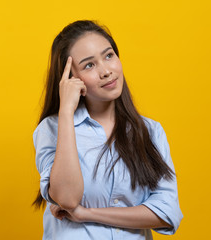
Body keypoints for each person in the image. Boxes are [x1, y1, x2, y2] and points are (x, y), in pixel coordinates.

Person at [32, 20, 183, 240]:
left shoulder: (150, 131)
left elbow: (167, 213)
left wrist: (87, 214)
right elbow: (67, 198)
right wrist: (66, 111)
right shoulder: (52, 129)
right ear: (70, 79)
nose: (106, 71)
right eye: (89, 65)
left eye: (109, 56)